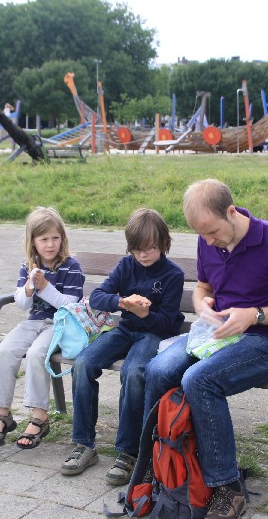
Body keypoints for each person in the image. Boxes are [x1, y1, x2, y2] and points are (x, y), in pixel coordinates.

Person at [143, 179, 268, 519]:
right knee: (158, 369)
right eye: (201, 235)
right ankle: (158, 463)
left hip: (265, 342)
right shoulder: (208, 239)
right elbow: (204, 286)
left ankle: (227, 487)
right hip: (215, 336)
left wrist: (255, 314)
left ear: (232, 212)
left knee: (199, 379)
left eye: (212, 232)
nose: (208, 241)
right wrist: (200, 302)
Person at [61, 208, 185, 485]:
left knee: (134, 373)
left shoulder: (172, 275)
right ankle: (83, 444)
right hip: (125, 328)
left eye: (150, 249)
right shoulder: (125, 265)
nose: (143, 255)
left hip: (153, 334)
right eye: (137, 250)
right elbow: (97, 297)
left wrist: (146, 314)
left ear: (163, 243)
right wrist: (122, 303)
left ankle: (127, 452)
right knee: (83, 364)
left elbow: (167, 323)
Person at [0, 207, 84, 449]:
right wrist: (30, 286)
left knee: (37, 354)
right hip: (33, 321)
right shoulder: (28, 264)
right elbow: (22, 303)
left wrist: (46, 287)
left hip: (61, 325)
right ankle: (2, 413)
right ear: (33, 242)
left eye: (55, 238)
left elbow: (70, 306)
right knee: (4, 352)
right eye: (44, 239)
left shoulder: (71, 266)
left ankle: (40, 416)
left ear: (62, 238)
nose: (50, 244)